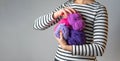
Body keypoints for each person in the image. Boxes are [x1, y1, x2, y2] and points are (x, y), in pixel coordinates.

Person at [33, 0, 108, 61]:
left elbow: (99, 48)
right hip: (60, 59)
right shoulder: (67, 5)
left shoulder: (99, 9)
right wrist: (55, 14)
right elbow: (37, 25)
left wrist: (66, 47)